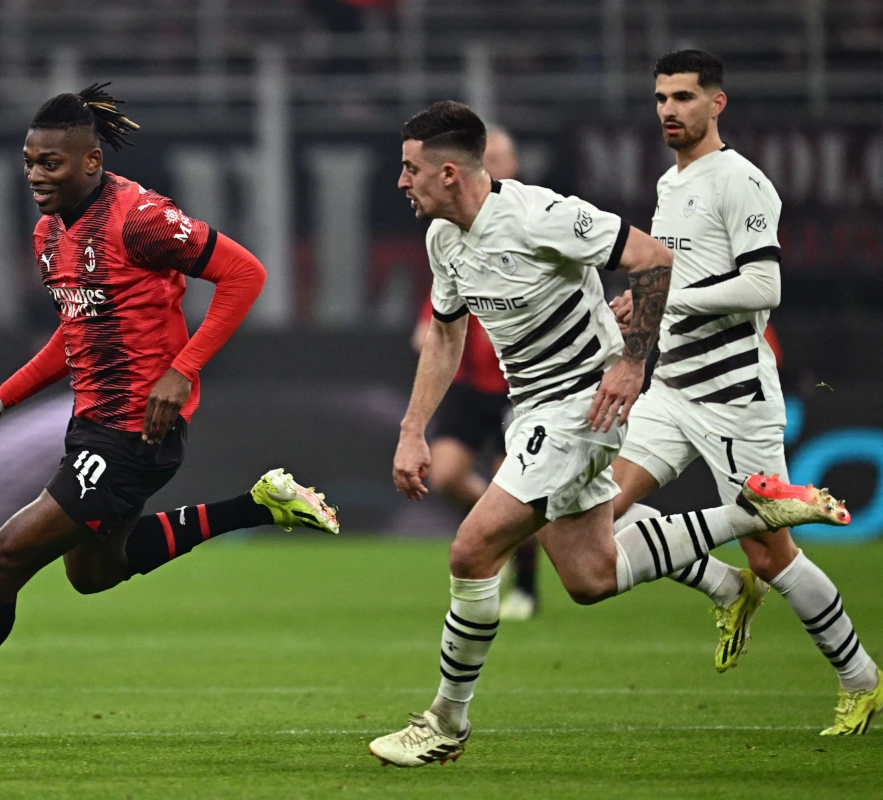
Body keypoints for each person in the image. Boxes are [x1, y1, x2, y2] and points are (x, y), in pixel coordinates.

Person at [0, 84, 339, 755]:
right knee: (92, 574)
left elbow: (245, 273)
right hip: (92, 425)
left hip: (137, 430)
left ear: (90, 163)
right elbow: (71, 338)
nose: (35, 175)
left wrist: (182, 368)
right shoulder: (51, 234)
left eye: (50, 163)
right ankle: (258, 505)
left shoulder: (140, 219)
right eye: (28, 161)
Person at [368, 100, 850, 767]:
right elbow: (447, 333)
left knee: (471, 550)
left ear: (449, 173)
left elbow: (652, 259)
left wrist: (630, 363)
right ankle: (744, 530)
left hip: (578, 406)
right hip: (533, 406)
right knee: (590, 575)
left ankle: (445, 723)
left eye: (409, 168)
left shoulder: (542, 216)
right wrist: (412, 429)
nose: (401, 182)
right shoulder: (444, 239)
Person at [607, 50, 881, 735]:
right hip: (671, 391)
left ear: (716, 103)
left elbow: (765, 287)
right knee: (593, 516)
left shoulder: (742, 181)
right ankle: (721, 584)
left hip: (736, 398)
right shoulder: (672, 185)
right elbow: (669, 278)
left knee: (772, 551)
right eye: (662, 97)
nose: (669, 109)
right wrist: (636, 304)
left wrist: (670, 297)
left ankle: (862, 679)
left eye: (684, 97)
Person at [409, 127, 540, 621]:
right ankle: (496, 537)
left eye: (505, 156)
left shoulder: (532, 221)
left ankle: (525, 587)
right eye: (492, 156)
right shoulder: (453, 233)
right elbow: (434, 322)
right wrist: (430, 333)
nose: (500, 164)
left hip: (522, 385)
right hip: (470, 385)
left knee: (516, 484)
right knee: (444, 477)